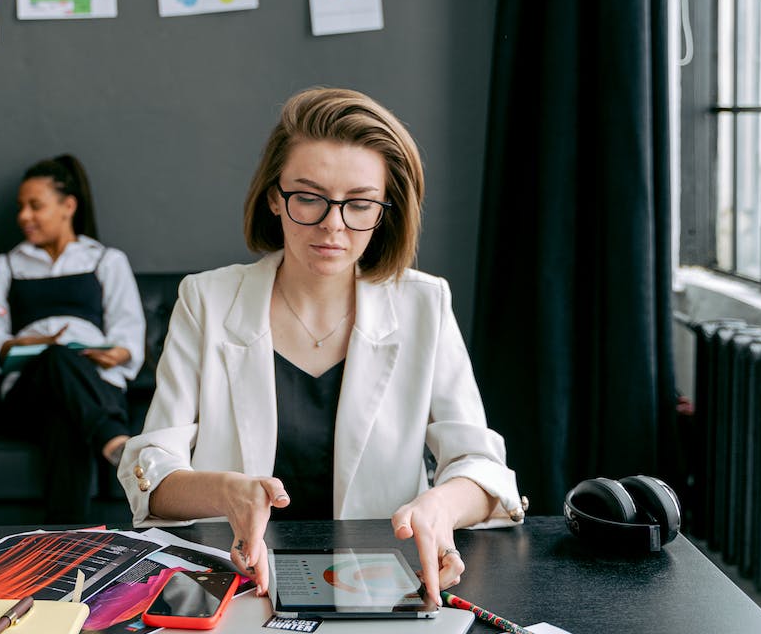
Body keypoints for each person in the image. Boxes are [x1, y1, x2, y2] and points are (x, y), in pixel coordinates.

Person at [117, 88, 524, 601]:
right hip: (238, 586)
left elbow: (483, 469)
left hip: (379, 586)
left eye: (359, 203)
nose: (333, 224)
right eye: (308, 197)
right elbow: (152, 468)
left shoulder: (424, 305)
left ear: (384, 210)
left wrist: (440, 508)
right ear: (273, 196)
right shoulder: (207, 299)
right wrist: (226, 492)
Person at [0, 155, 145, 523]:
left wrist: (114, 354)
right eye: (21, 207)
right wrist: (15, 347)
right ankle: (115, 440)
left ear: (68, 206)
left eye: (35, 206)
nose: (23, 216)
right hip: (27, 389)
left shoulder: (105, 261)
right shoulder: (5, 266)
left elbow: (128, 336)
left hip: (89, 381)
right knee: (53, 358)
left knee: (64, 413)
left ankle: (65, 547)